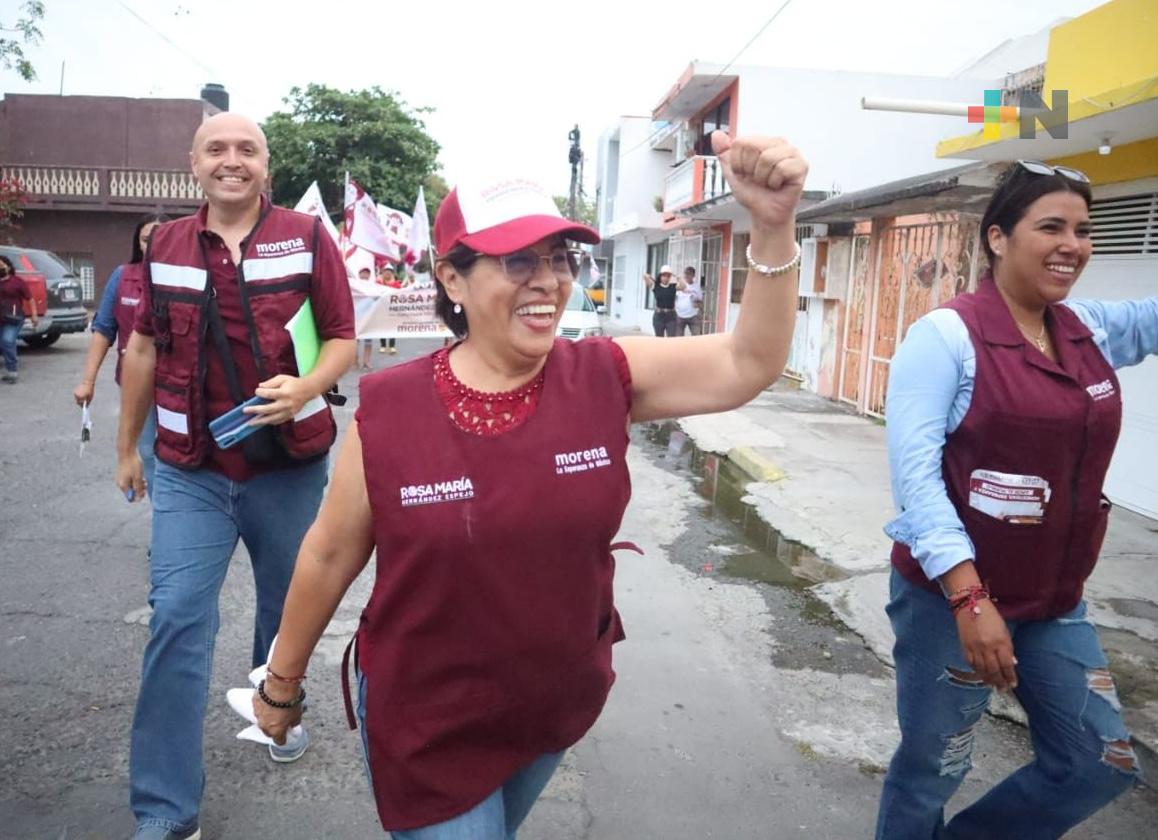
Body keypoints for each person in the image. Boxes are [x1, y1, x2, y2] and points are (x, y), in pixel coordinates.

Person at [253, 131, 807, 838]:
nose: (548, 280)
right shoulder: (391, 409)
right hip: (428, 724)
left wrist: (773, 224)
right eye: (518, 261)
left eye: (558, 258)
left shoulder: (603, 374)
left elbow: (748, 361)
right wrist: (282, 680)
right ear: (452, 279)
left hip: (552, 709)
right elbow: (329, 553)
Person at [877, 160, 1156, 839]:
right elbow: (916, 481)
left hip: (1054, 603)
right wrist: (970, 600)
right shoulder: (946, 338)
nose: (1073, 245)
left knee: (1102, 761)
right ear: (998, 238)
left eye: (1085, 231)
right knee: (934, 766)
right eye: (1051, 227)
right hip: (952, 603)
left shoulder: (1084, 326)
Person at [115, 112, 356, 840]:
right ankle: (164, 809)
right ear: (193, 164)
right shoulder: (166, 248)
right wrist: (128, 449)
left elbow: (344, 339)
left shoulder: (308, 237)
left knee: (286, 608)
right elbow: (143, 352)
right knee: (178, 618)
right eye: (216, 149)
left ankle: (275, 712)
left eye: (246, 149)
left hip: (287, 468)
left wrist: (306, 386)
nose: (231, 160)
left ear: (265, 164)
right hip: (191, 469)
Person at [74, 215, 168, 495]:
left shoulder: (186, 275)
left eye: (161, 238)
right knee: (148, 452)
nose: (153, 245)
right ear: (137, 243)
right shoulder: (122, 276)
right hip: (137, 383)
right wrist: (87, 381)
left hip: (180, 384)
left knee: (185, 453)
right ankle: (161, 513)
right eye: (146, 238)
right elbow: (104, 329)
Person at [0, 254, 39, 383]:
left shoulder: (17, 281)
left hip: (13, 318)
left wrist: (34, 315)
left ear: (8, 266)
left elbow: (30, 298)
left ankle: (12, 371)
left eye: (1, 265)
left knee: (7, 340)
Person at [643, 264, 679, 336]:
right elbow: (645, 276)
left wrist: (677, 277)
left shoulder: (673, 286)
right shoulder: (656, 286)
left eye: (668, 276)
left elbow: (684, 286)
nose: (666, 278)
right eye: (664, 276)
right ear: (660, 276)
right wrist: (650, 276)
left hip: (671, 316)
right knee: (659, 339)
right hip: (659, 316)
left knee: (672, 339)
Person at [377, 263, 400, 356]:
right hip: (381, 309)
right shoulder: (378, 283)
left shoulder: (396, 284)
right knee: (382, 327)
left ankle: (392, 346)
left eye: (389, 272)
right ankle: (383, 345)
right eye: (386, 272)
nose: (387, 274)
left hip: (393, 309)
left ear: (392, 273)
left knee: (392, 327)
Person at [675, 265, 704, 335]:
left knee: (697, 337)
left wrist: (694, 298)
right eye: (685, 273)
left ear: (693, 275)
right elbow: (674, 297)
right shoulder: (679, 285)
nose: (686, 275)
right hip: (680, 315)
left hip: (693, 316)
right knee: (678, 338)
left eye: (689, 274)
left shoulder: (697, 287)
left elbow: (700, 301)